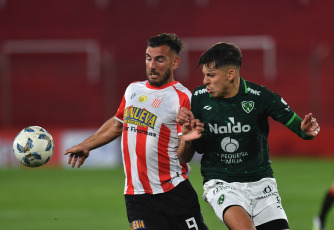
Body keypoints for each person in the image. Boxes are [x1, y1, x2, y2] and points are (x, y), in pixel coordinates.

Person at [64, 33, 208, 230]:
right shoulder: (133, 90)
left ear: (175, 63)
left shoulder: (183, 97)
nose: (152, 65)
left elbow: (185, 156)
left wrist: (189, 139)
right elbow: (117, 124)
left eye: (159, 59)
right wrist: (86, 145)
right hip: (136, 195)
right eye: (148, 58)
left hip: (174, 193)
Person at [176, 42, 320, 230]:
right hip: (222, 183)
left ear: (230, 74)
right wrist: (188, 139)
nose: (205, 81)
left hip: (261, 184)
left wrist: (306, 130)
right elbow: (187, 155)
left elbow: (300, 128)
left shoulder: (260, 97)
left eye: (211, 75)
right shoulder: (199, 97)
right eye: (204, 75)